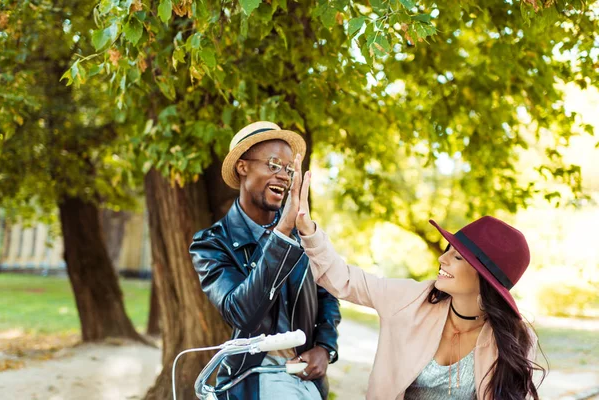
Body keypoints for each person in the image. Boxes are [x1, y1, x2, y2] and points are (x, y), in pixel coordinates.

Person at [283, 170, 545, 400]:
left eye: (456, 256)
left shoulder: (515, 339)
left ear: (484, 278)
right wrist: (307, 228)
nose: (442, 259)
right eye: (447, 250)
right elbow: (345, 279)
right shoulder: (409, 299)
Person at [189, 121, 341, 400]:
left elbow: (327, 294)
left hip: (306, 381)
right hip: (251, 383)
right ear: (242, 166)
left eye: (288, 169)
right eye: (273, 165)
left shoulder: (303, 235)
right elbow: (241, 313)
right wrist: (281, 234)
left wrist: (325, 348)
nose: (284, 176)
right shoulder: (211, 243)